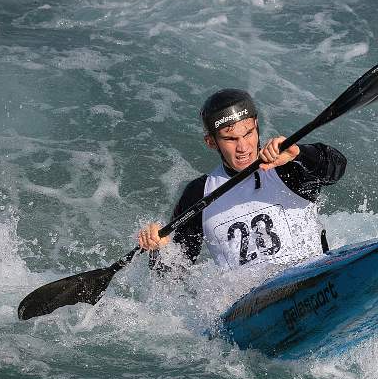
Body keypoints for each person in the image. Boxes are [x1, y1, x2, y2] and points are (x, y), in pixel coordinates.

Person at [137, 88, 347, 270]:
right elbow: (172, 277)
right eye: (230, 139)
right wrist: (160, 249)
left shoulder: (287, 168)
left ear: (256, 125)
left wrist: (299, 153)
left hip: (314, 277)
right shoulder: (198, 194)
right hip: (252, 307)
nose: (243, 147)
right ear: (211, 142)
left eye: (248, 133)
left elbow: (337, 168)